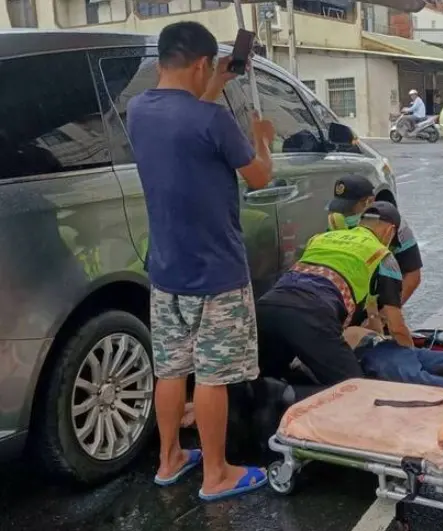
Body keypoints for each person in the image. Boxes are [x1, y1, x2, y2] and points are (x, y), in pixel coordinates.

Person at [126, 22, 275, 500]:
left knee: (170, 369)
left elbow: (188, 115)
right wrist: (263, 138)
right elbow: (259, 177)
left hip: (166, 269)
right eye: (208, 67)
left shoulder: (138, 110)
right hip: (217, 273)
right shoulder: (214, 123)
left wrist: (219, 82)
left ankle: (169, 459)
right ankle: (217, 473)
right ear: (199, 64)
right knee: (212, 376)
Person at [255, 202, 412, 401]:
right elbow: (396, 326)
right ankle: (287, 397)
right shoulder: (382, 255)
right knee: (356, 393)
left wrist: (375, 339)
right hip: (312, 314)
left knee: (261, 379)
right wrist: (412, 358)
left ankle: (268, 409)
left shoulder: (322, 237)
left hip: (267, 306)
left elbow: (372, 313)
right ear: (390, 232)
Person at [327, 175, 423, 303]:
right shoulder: (336, 223)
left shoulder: (395, 226)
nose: (345, 215)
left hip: (380, 291)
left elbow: (412, 275)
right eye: (341, 209)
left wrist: (388, 312)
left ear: (370, 202)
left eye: (349, 210)